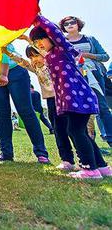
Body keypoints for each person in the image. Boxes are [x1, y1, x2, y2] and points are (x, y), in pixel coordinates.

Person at [31, 15, 110, 178]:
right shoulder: (50, 55)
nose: (39, 44)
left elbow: (53, 31)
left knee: (75, 131)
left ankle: (89, 169)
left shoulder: (62, 48)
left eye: (41, 40)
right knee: (79, 131)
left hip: (78, 99)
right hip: (72, 101)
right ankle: (101, 167)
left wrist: (36, 17)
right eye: (36, 42)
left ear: (52, 37)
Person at [0, 43, 49, 163]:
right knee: (1, 113)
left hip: (15, 70)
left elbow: (3, 49)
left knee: (26, 111)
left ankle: (41, 152)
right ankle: (6, 153)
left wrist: (4, 74)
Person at [60, 16, 111, 147]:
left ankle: (110, 137)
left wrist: (87, 55)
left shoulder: (90, 39)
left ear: (78, 24)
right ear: (63, 27)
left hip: (94, 73)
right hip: (74, 77)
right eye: (66, 23)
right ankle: (89, 142)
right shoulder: (62, 42)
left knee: (102, 106)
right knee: (81, 109)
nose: (70, 25)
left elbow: (105, 56)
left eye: (73, 22)